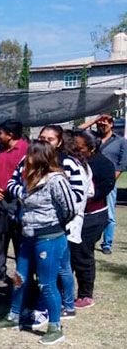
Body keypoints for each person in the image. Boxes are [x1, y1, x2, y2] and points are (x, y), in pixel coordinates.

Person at [0, 140, 76, 346]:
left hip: (49, 238)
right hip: (28, 235)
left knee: (46, 283)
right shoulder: (29, 178)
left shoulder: (56, 180)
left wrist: (52, 225)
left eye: (30, 155)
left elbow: (70, 209)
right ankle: (14, 315)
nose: (25, 159)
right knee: (20, 277)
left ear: (40, 157)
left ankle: (55, 327)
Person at [70, 129, 115, 309]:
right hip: (73, 215)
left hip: (93, 217)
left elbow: (105, 187)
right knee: (69, 253)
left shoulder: (103, 164)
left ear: (91, 148)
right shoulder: (72, 161)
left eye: (79, 148)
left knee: (82, 253)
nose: (75, 150)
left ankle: (85, 294)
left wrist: (84, 196)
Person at [0, 120, 28, 283]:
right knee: (1, 236)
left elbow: (24, 177)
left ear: (10, 135)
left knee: (19, 239)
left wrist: (8, 190)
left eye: (1, 133)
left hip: (16, 200)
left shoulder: (25, 151)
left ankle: (22, 273)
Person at [79, 115, 127, 254]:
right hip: (88, 180)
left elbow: (122, 164)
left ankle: (107, 243)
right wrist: (94, 120)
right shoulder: (91, 137)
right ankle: (87, 237)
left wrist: (111, 181)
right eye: (99, 124)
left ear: (111, 124)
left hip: (108, 181)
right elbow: (76, 130)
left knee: (110, 214)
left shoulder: (120, 141)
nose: (101, 126)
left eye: (104, 123)